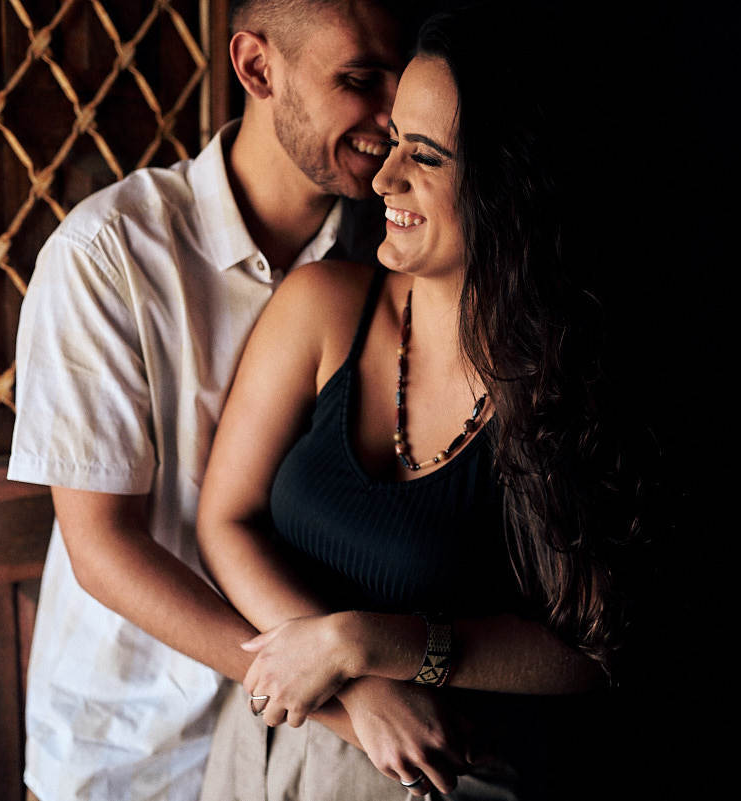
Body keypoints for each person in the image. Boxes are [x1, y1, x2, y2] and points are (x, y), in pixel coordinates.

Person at [196, 5, 645, 799]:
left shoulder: (568, 376)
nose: (384, 176)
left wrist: (371, 642)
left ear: (509, 185)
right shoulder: (323, 306)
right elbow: (225, 520)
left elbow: (590, 650)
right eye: (395, 138)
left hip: (448, 776)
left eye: (426, 156)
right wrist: (352, 682)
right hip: (272, 744)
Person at [6, 2, 422, 798]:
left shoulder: (386, 253)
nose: (393, 112)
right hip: (123, 742)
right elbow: (103, 550)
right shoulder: (108, 253)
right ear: (257, 68)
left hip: (279, 751)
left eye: (400, 78)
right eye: (360, 79)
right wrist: (345, 698)